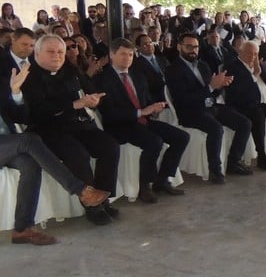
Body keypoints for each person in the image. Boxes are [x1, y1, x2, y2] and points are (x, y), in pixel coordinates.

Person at [2, 66, 109, 244]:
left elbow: (20, 117)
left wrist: (15, 93)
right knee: (30, 139)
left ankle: (22, 229)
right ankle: (81, 190)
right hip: (9, 143)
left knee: (30, 164)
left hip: (7, 143)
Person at [20, 35, 120, 226]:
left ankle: (103, 197)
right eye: (50, 52)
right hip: (49, 129)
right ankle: (92, 206)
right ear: (37, 53)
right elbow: (36, 111)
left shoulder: (70, 69)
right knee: (78, 155)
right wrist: (73, 104)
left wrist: (94, 99)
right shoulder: (28, 76)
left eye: (60, 52)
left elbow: (89, 88)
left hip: (79, 124)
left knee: (110, 147)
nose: (56, 56)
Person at [94, 38, 189, 202]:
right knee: (154, 142)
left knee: (181, 137)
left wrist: (153, 110)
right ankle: (145, 186)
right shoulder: (102, 80)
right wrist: (141, 112)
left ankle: (163, 179)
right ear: (112, 55)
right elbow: (109, 114)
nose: (127, 58)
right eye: (123, 54)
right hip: (120, 126)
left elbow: (145, 101)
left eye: (130, 54)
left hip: (143, 121)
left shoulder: (137, 75)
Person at [164, 32, 253, 184]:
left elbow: (212, 91)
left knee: (245, 122)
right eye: (189, 46)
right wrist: (211, 87)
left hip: (210, 106)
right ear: (179, 47)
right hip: (190, 112)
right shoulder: (173, 70)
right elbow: (184, 99)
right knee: (216, 128)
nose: (193, 50)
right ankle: (215, 171)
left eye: (196, 47)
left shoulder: (203, 65)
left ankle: (233, 162)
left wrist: (220, 85)